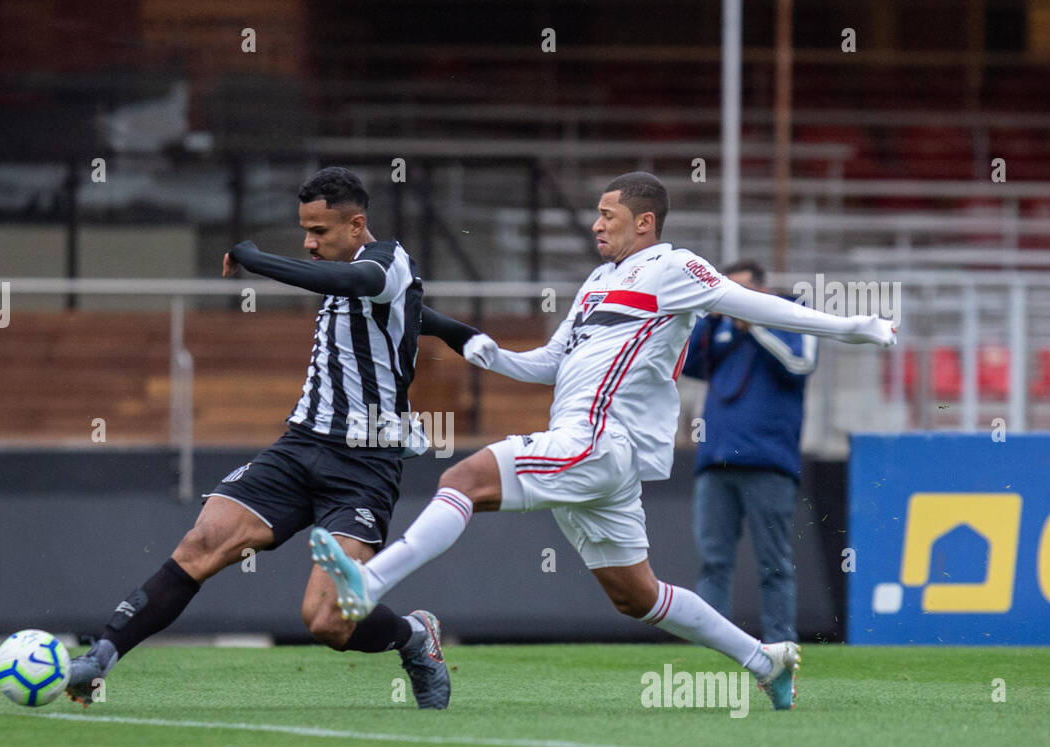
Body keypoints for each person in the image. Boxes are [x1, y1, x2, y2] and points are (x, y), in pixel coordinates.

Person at [307, 171, 896, 710]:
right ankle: (764, 660)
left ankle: (372, 581)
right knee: (636, 595)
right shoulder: (596, 282)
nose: (595, 224)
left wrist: (852, 327)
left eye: (607, 215)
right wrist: (484, 350)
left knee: (463, 479)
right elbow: (550, 364)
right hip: (595, 451)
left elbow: (759, 306)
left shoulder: (675, 268)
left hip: (599, 439)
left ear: (644, 222)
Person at [66, 166, 483, 710]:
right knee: (201, 544)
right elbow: (404, 311)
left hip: (364, 464)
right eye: (304, 230)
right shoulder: (358, 274)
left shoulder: (385, 262)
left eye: (320, 232)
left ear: (357, 225)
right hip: (300, 445)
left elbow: (359, 286)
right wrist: (457, 332)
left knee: (327, 620)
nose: (309, 243)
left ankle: (413, 637)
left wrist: (255, 260)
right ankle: (101, 657)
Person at [680, 261, 815, 645]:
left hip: (769, 463)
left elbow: (800, 363)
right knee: (713, 562)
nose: (733, 300)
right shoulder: (719, 329)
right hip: (715, 462)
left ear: (762, 290)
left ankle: (780, 643)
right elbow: (685, 363)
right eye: (726, 292)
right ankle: (711, 643)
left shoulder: (792, 316)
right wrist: (708, 316)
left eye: (740, 292)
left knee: (774, 562)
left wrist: (754, 324)